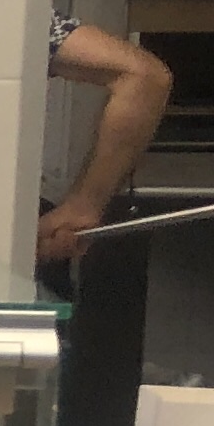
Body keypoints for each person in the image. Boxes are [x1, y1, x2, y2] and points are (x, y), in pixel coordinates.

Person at [38, 16, 173, 268]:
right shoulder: (4, 18)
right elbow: (144, 76)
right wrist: (84, 206)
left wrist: (83, 206)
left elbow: (144, 77)